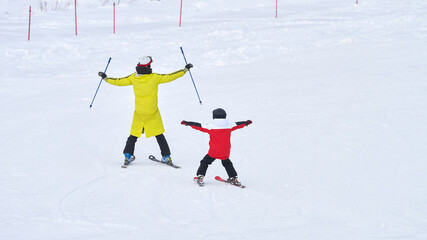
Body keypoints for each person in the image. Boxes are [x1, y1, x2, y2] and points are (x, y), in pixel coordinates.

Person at [98, 56, 193, 166]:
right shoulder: (155, 77)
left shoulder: (133, 78)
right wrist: (185, 70)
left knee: (133, 135)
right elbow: (171, 76)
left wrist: (105, 78)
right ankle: (166, 157)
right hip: (152, 112)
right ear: (148, 66)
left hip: (139, 113)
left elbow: (119, 82)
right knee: (159, 135)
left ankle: (128, 155)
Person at [181, 108, 252, 186]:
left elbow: (198, 126)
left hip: (214, 151)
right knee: (227, 163)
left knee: (205, 162)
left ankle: (200, 176)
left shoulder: (210, 126)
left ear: (214, 116)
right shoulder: (229, 125)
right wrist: (246, 123)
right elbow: (239, 124)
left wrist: (188, 123)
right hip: (225, 150)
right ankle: (233, 178)